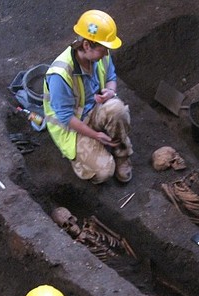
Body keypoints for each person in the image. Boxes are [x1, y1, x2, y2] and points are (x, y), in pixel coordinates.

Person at [43, 10, 133, 184]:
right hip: (71, 126)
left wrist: (110, 91)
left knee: (117, 109)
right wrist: (96, 135)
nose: (106, 54)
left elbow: (111, 78)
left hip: (93, 110)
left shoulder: (100, 57)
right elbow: (65, 117)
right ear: (86, 45)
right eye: (103, 49)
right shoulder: (60, 75)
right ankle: (82, 159)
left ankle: (122, 155)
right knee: (105, 172)